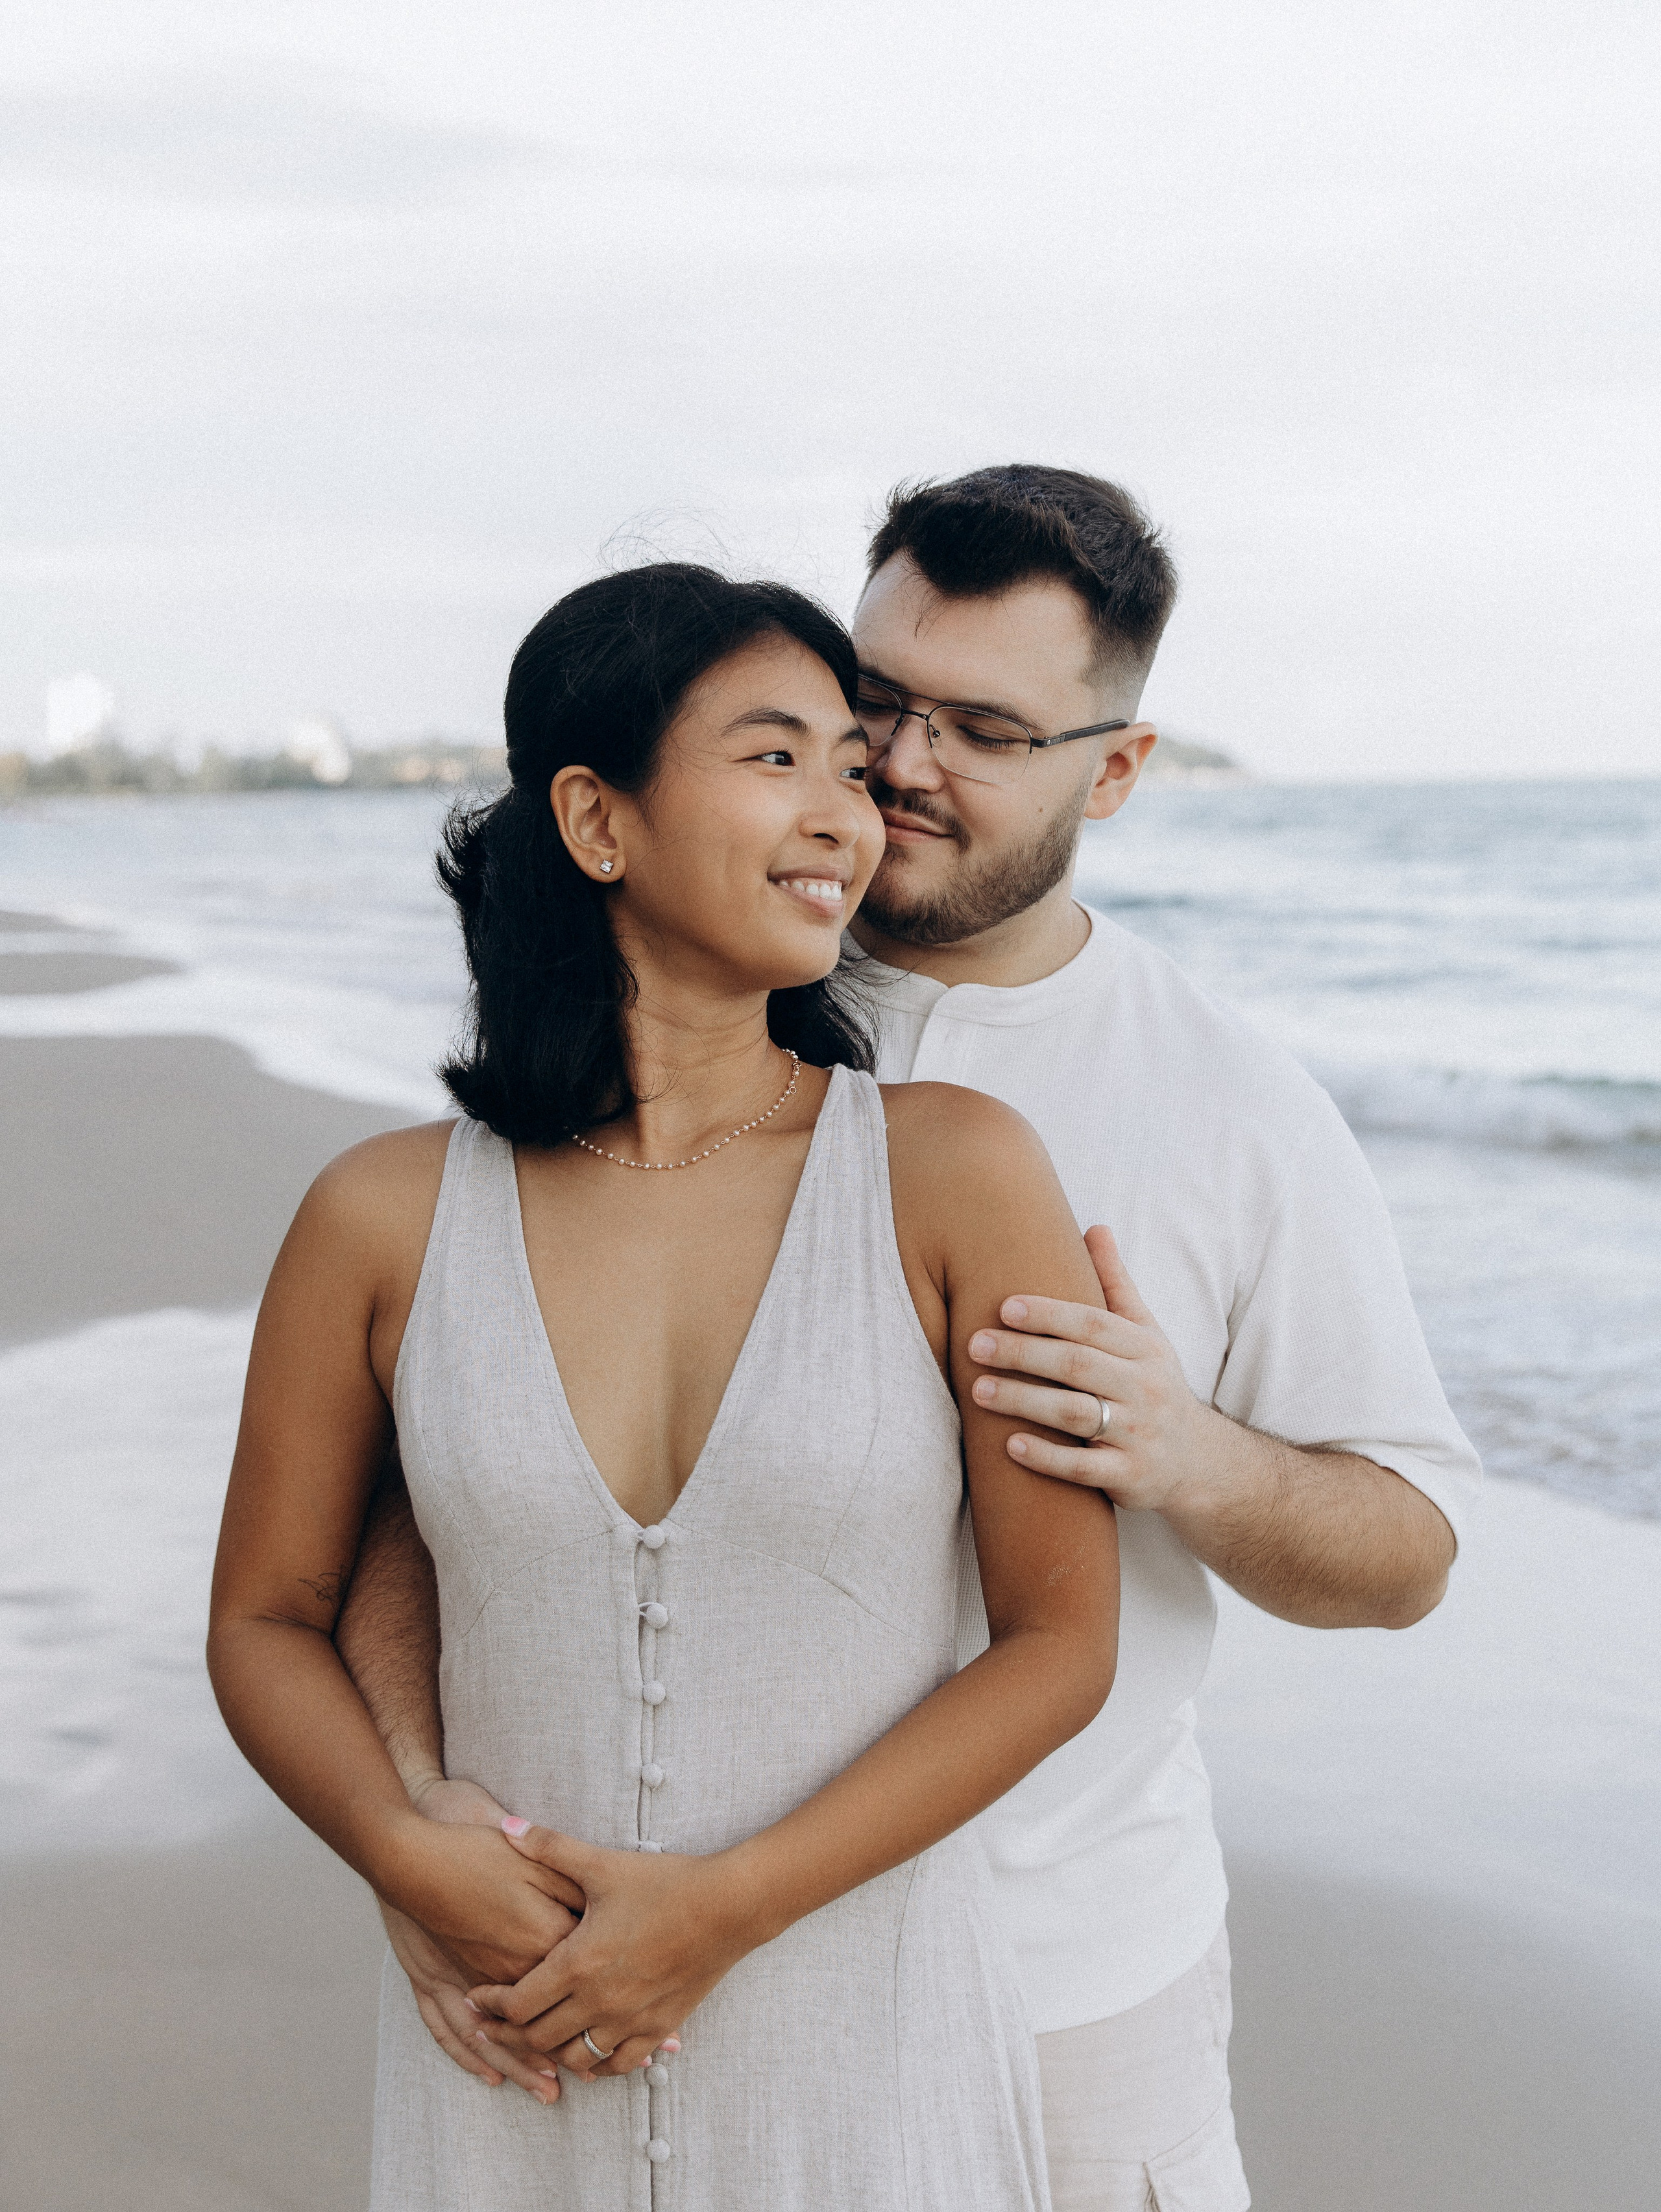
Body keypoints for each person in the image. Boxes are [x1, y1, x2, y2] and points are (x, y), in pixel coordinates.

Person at [339, 467, 1482, 2212]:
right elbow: (441, 1489)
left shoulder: (1231, 1108)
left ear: (1114, 769)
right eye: (875, 703)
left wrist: (1192, 1451)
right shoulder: (683, 990)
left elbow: (1404, 1556)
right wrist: (410, 1842)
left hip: (1066, 1988)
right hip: (638, 1981)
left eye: (985, 728)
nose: (904, 764)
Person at [207, 562, 1122, 2211]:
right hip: (509, 2048)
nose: (846, 809)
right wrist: (401, 1850)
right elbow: (270, 1614)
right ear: (597, 819)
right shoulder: (381, 1215)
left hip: (864, 2061)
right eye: (776, 756)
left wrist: (726, 1907)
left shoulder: (951, 1173)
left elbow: (1060, 1646)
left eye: (854, 766)